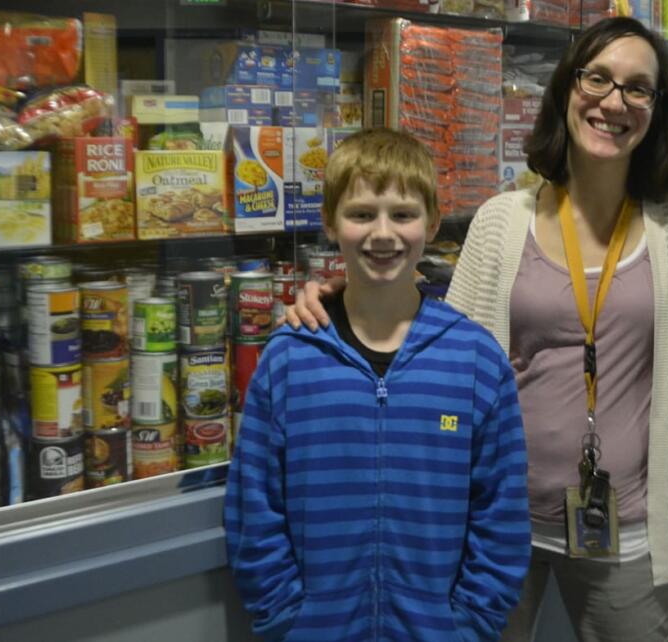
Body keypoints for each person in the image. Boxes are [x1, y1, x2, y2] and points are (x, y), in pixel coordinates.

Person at [286, 17, 668, 642]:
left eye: (637, 88)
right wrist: (340, 299)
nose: (613, 102)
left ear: (657, 109)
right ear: (566, 90)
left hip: (627, 531)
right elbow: (438, 336)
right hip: (496, 521)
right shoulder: (501, 220)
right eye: (597, 78)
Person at [225, 128, 530, 642]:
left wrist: (469, 625)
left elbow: (500, 515)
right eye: (361, 213)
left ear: (432, 223)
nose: (383, 234)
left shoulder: (475, 360)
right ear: (330, 223)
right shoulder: (290, 358)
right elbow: (254, 509)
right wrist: (286, 620)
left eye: (403, 215)